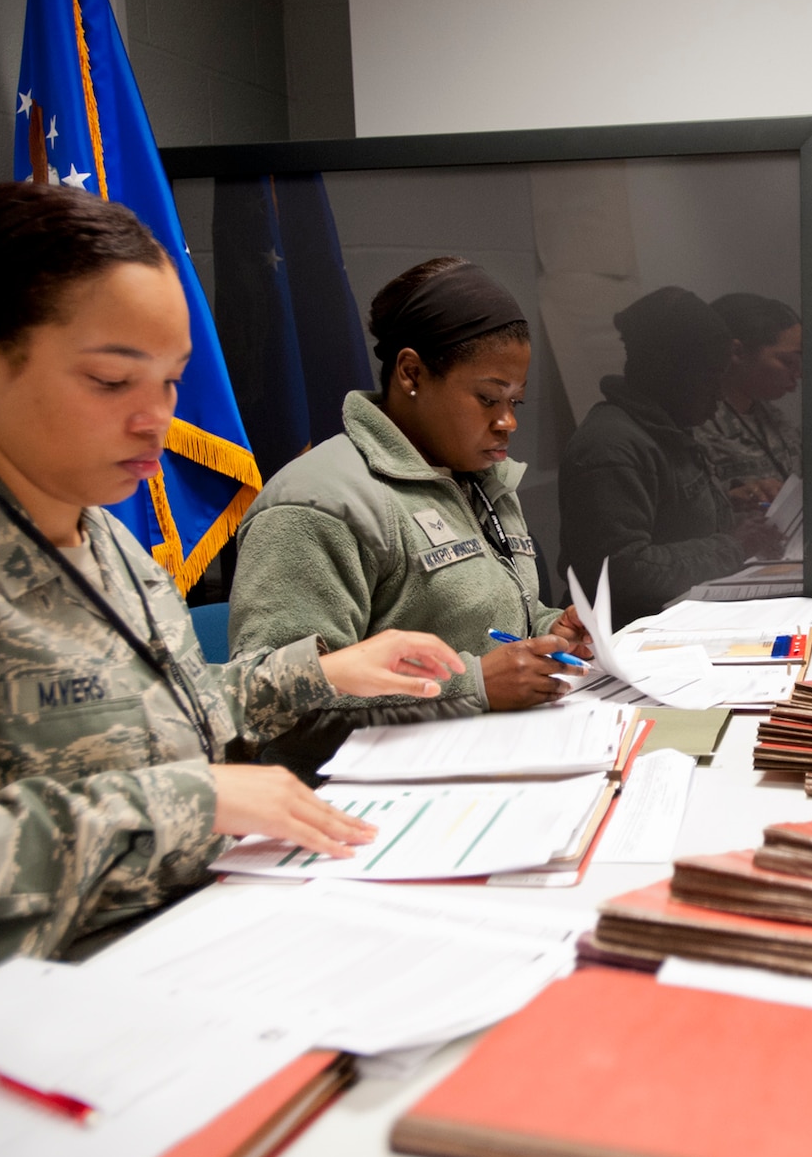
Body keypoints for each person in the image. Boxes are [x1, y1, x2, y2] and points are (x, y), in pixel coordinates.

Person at [0, 183, 466, 1062]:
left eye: (171, 381)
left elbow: (144, 715)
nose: (156, 420)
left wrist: (325, 670)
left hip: (154, 977)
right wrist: (193, 800)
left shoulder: (103, 539)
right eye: (111, 379)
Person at [228, 257, 594, 773]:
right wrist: (474, 687)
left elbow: (488, 626)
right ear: (411, 373)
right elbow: (280, 710)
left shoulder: (481, 479)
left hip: (490, 761)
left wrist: (553, 632)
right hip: (360, 804)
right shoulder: (318, 504)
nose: (507, 422)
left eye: (516, 401)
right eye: (488, 398)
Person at [559, 286, 784, 622]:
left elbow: (674, 527)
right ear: (668, 372)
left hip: (675, 621)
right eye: (711, 378)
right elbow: (623, 571)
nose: (720, 396)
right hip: (628, 639)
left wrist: (733, 514)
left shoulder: (668, 430)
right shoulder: (610, 446)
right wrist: (734, 546)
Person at [694, 292, 804, 512]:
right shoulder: (693, 427)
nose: (798, 373)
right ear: (737, 352)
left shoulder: (773, 418)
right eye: (787, 361)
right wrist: (733, 499)